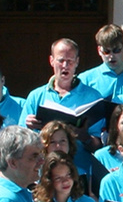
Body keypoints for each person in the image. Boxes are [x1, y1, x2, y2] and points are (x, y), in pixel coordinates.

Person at [23, 39, 103, 179]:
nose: (65, 66)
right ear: (51, 60)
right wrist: (28, 127)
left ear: (77, 62)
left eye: (70, 61)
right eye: (61, 60)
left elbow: (101, 146)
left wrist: (85, 137)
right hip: (43, 174)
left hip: (79, 174)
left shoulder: (93, 97)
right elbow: (21, 143)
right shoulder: (36, 96)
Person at [78, 24, 123, 101]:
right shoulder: (85, 79)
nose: (111, 56)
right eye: (106, 51)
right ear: (99, 50)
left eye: (116, 50)